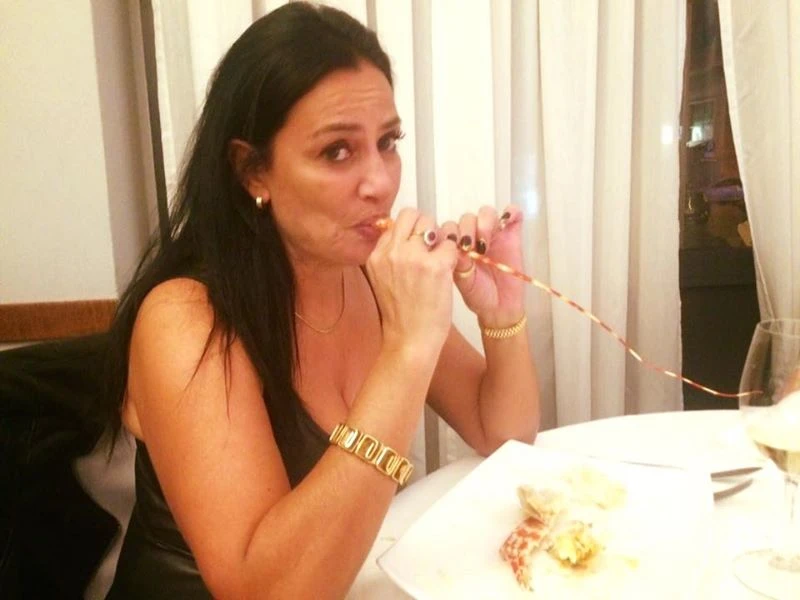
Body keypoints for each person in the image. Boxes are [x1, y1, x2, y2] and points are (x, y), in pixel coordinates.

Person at [103, 3, 539, 598]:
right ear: (252, 171)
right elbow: (264, 592)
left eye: (387, 142)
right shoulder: (185, 320)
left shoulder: (368, 275)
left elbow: (503, 432)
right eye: (337, 151)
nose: (380, 182)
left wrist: (501, 313)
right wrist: (407, 351)